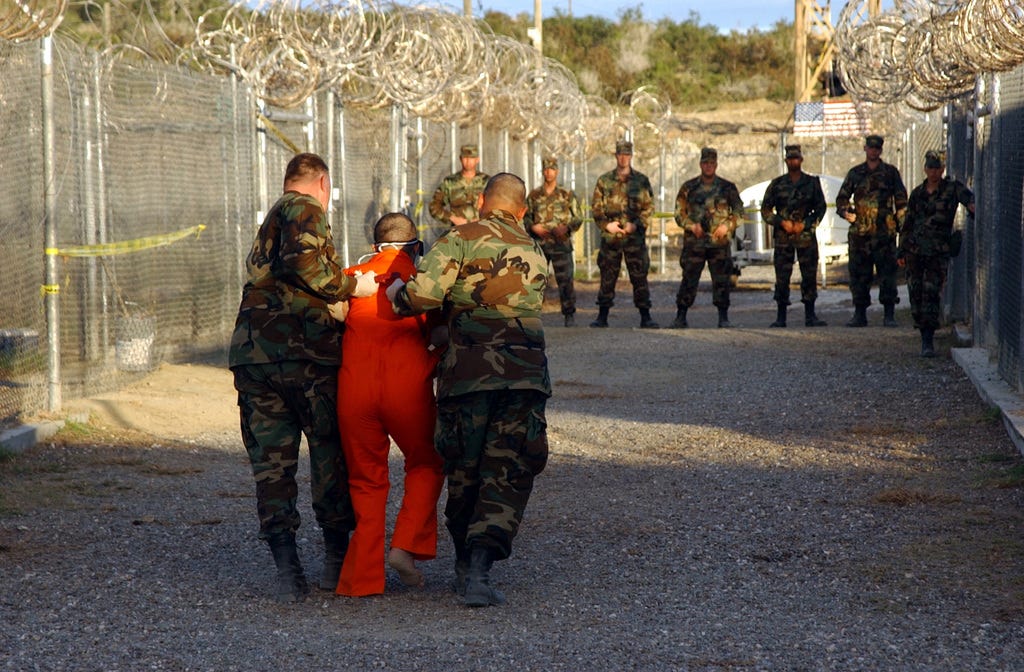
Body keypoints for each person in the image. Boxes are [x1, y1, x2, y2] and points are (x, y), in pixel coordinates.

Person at [387, 173, 550, 608]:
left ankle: (464, 564)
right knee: (508, 469)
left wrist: (397, 293)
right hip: (524, 375)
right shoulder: (535, 250)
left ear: (481, 201)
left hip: (469, 374)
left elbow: (423, 296)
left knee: (465, 466)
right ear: (521, 210)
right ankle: (479, 567)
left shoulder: (458, 238)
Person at [228, 152, 377, 603]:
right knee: (330, 455)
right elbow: (306, 264)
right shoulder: (303, 208)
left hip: (257, 357)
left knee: (272, 467)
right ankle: (335, 561)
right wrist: (354, 289)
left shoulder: (274, 216)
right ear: (323, 182)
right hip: (305, 357)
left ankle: (287, 568)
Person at [333, 213, 446, 597]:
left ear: (375, 244)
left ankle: (361, 580)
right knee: (427, 462)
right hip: (407, 388)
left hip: (355, 391)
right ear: (415, 245)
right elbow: (441, 332)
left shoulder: (351, 277)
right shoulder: (420, 282)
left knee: (365, 481)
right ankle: (405, 547)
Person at [897, 150, 975, 357]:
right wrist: (901, 250)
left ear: (942, 169)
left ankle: (927, 340)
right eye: (930, 168)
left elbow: (969, 199)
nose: (933, 172)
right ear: (925, 169)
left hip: (937, 252)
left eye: (937, 168)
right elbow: (908, 223)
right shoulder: (917, 193)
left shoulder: (951, 189)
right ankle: (922, 329)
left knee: (931, 293)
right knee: (915, 293)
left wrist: (972, 206)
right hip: (915, 251)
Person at [836, 134, 908, 327]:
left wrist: (901, 225)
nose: (874, 151)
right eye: (871, 148)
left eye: (877, 148)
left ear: (880, 150)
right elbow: (841, 199)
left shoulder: (890, 173)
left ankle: (889, 314)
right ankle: (860, 313)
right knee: (859, 275)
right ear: (865, 149)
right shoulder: (855, 173)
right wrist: (846, 212)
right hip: (861, 233)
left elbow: (901, 200)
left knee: (887, 274)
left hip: (884, 233)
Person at [671, 147, 744, 328]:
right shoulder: (688, 188)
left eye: (712, 163)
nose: (708, 166)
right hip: (694, 243)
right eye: (705, 163)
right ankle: (681, 316)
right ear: (700, 164)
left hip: (719, 244)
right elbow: (679, 214)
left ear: (716, 165)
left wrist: (726, 225)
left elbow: (739, 212)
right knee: (689, 278)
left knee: (721, 280)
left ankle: (723, 317)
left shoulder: (727, 188)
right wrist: (691, 226)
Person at [590, 140, 658, 328]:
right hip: (611, 238)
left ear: (631, 156)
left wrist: (636, 225)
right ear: (616, 156)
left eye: (626, 154)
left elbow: (649, 208)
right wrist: (606, 225)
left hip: (633, 238)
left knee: (639, 276)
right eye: (620, 154)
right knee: (607, 276)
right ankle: (602, 316)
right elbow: (596, 209)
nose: (623, 157)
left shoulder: (641, 181)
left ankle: (645, 316)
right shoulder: (605, 181)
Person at [760, 144, 829, 328]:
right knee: (782, 277)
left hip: (805, 237)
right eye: (790, 159)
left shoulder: (812, 183)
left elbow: (821, 208)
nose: (793, 161)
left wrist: (805, 224)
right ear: (786, 161)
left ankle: (810, 315)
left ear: (801, 159)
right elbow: (765, 210)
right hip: (784, 238)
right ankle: (781, 316)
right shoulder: (777, 184)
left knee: (809, 275)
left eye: (796, 158)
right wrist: (781, 222)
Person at [524, 156, 584, 327]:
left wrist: (567, 228)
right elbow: (525, 217)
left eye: (551, 169)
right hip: (540, 245)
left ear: (557, 171)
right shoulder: (534, 196)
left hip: (561, 244)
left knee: (565, 281)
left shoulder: (567, 195)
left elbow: (578, 217)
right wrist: (533, 227)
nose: (548, 172)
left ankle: (569, 315)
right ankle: (533, 316)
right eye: (545, 169)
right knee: (536, 281)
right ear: (542, 171)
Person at [428, 143, 490, 242]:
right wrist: (453, 218)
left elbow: (495, 205)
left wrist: (483, 219)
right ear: (460, 159)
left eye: (472, 158)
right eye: (465, 158)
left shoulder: (486, 181)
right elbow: (434, 206)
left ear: (477, 159)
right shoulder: (450, 182)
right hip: (458, 234)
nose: (468, 161)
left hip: (482, 233)